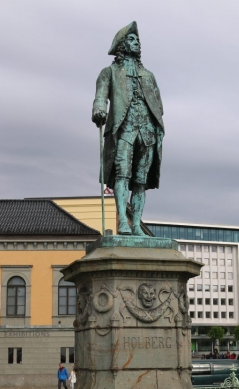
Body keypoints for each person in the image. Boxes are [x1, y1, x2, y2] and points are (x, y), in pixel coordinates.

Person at [92, 21, 164, 236]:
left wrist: (156, 125)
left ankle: (136, 225)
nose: (137, 43)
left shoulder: (149, 75)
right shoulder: (110, 72)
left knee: (140, 181)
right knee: (122, 175)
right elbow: (100, 97)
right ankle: (122, 221)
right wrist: (98, 110)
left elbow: (158, 104)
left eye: (138, 40)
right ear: (122, 45)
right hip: (124, 129)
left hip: (147, 131)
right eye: (132, 40)